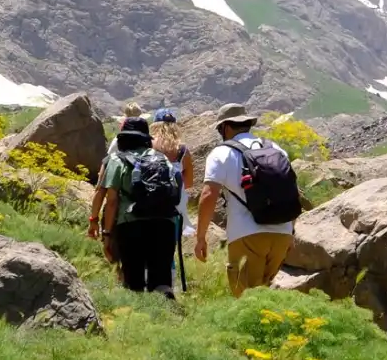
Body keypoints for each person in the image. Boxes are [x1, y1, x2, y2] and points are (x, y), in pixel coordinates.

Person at [194, 103, 295, 296]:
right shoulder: (276, 149)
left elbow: (208, 195)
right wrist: (292, 231)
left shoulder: (221, 153)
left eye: (219, 129)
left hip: (247, 235)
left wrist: (201, 238)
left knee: (245, 301)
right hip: (282, 233)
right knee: (266, 300)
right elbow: (291, 191)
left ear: (226, 127)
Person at [90, 116, 181, 297]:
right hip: (165, 224)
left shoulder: (117, 160)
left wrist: (107, 234)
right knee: (162, 281)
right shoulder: (161, 159)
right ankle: (167, 318)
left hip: (132, 225)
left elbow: (112, 201)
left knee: (134, 282)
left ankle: (140, 317)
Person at [150, 109, 195, 290]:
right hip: (174, 208)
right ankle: (170, 289)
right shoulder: (182, 151)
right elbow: (189, 182)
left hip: (148, 205)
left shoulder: (149, 146)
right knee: (168, 251)